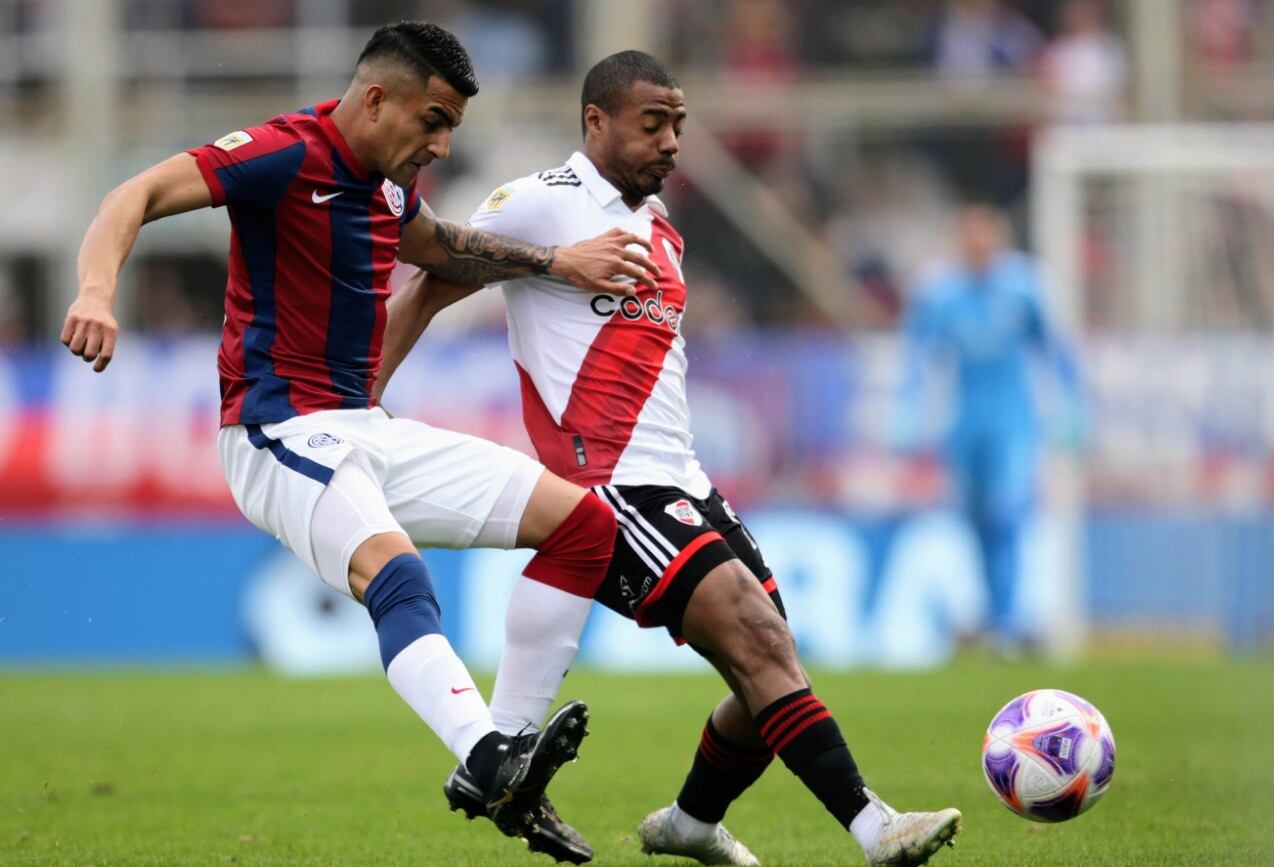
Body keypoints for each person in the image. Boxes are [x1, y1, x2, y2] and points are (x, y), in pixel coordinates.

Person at [58, 20, 665, 853]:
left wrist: (559, 264)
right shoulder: (280, 154)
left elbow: (443, 245)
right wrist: (95, 291)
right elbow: (130, 197)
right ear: (376, 99)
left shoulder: (387, 184)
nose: (443, 145)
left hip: (363, 428)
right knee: (399, 576)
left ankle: (505, 751)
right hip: (276, 430)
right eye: (434, 121)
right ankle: (490, 759)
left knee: (584, 525)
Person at [377, 50, 962, 867]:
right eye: (653, 123)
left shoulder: (661, 234)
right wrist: (361, 399)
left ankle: (690, 821)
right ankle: (875, 827)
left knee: (769, 671)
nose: (672, 142)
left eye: (679, 125)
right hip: (609, 489)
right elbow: (427, 282)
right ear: (597, 121)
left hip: (685, 483)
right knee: (758, 643)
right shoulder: (541, 206)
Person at [894, 203, 1083, 653]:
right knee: (975, 519)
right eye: (970, 239)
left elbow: (1056, 350)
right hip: (965, 422)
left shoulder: (1025, 288)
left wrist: (1071, 405)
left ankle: (1007, 617)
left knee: (1007, 510)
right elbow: (917, 354)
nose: (978, 247)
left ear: (998, 241)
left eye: (986, 238)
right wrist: (908, 409)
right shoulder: (940, 293)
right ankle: (994, 615)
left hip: (1014, 421)